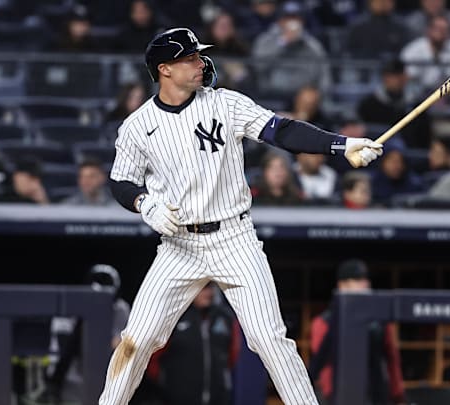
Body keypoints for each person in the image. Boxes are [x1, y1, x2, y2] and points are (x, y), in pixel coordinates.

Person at [100, 27, 382, 405]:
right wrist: (143, 204)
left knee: (269, 338)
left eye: (199, 56)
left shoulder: (225, 103)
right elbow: (120, 181)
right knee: (137, 340)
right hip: (178, 245)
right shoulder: (137, 126)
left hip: (234, 239)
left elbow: (281, 131)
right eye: (190, 58)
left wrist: (339, 144)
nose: (200, 63)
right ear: (164, 69)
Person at [310, 259, 406, 405]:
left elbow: (392, 358)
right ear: (342, 285)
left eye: (365, 279)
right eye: (357, 279)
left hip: (375, 394)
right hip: (340, 394)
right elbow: (322, 364)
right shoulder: (324, 322)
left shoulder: (380, 321)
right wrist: (333, 396)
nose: (364, 284)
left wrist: (397, 392)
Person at [42, 264, 131, 403]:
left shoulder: (120, 308)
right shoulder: (72, 307)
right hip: (71, 374)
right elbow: (62, 344)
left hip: (106, 373)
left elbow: (120, 343)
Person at [145, 282, 240, 405]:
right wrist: (166, 381)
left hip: (218, 398)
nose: (208, 293)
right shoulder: (173, 316)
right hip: (177, 398)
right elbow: (152, 356)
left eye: (210, 288)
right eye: (203, 288)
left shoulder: (225, 317)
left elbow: (232, 356)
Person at [251, 1, 331, 98]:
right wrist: (283, 42)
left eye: (295, 18)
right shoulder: (266, 39)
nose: (292, 22)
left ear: (302, 21)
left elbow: (323, 69)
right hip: (271, 91)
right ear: (279, 21)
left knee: (309, 96)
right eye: (287, 18)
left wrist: (323, 94)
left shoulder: (311, 43)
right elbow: (258, 67)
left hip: (302, 94)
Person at [357, 58, 433, 149]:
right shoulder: (368, 105)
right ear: (384, 78)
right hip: (376, 155)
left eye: (397, 75)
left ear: (405, 77)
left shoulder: (417, 106)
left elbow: (424, 139)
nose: (394, 80)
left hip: (408, 156)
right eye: (389, 76)